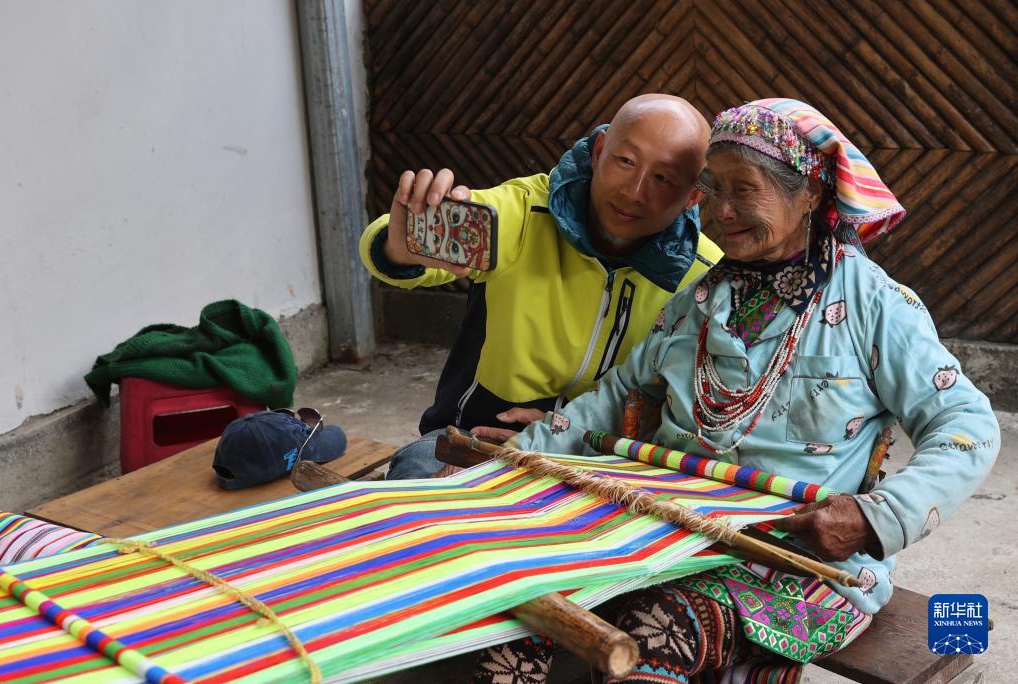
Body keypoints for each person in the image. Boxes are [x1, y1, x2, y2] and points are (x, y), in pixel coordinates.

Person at [472, 99, 1000, 683]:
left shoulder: (874, 305)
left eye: (744, 189)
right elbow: (620, 393)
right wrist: (517, 459)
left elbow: (967, 424)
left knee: (657, 631)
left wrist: (877, 516)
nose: (721, 211)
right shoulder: (699, 300)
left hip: (799, 567)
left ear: (809, 193)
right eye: (713, 188)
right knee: (520, 612)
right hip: (669, 539)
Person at [360, 94, 723, 479]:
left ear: (693, 195)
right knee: (418, 473)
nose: (634, 191)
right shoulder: (524, 213)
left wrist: (566, 432)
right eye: (625, 161)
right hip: (475, 435)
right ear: (599, 150)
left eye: (663, 178)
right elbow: (402, 250)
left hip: (603, 455)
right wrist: (401, 244)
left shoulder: (704, 276)